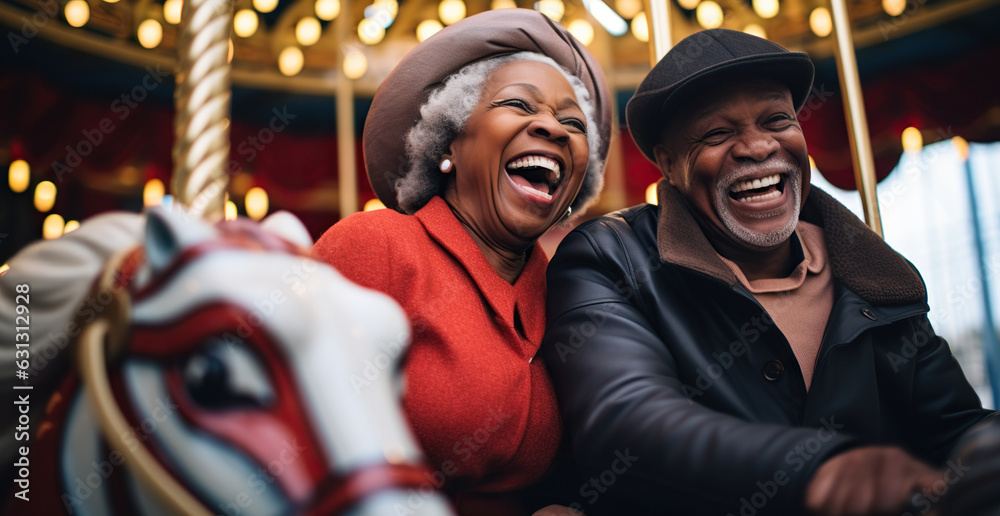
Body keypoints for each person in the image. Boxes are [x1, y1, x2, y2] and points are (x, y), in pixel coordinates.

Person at [542, 28, 998, 516]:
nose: (758, 148)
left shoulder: (877, 276)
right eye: (718, 134)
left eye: (778, 120)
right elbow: (627, 426)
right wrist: (826, 471)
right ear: (668, 165)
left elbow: (953, 426)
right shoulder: (611, 258)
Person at [312, 9, 611, 515]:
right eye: (519, 104)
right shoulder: (375, 247)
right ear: (450, 140)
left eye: (572, 123)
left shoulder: (570, 288)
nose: (553, 129)